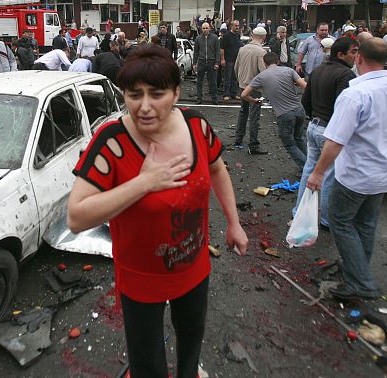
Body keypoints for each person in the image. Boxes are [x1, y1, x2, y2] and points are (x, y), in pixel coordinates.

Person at [67, 45, 248, 378]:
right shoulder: (111, 141)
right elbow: (76, 217)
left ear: (177, 92)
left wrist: (234, 223)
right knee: (147, 360)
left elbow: (218, 169)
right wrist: (144, 182)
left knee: (191, 337)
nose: (145, 107)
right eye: (134, 95)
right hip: (141, 276)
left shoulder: (196, 125)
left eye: (157, 94)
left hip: (194, 265)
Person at [306, 38, 387, 301]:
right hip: (385, 172)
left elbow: (336, 140)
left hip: (356, 174)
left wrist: (318, 172)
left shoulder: (355, 94)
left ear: (359, 58)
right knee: (365, 224)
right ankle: (357, 270)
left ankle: (361, 282)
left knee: (341, 222)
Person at [295, 37, 359, 228]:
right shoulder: (345, 75)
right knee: (329, 175)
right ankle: (325, 219)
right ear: (340, 54)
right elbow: (344, 107)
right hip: (329, 130)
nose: (356, 56)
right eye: (353, 52)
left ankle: (299, 210)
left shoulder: (318, 70)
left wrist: (314, 117)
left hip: (314, 126)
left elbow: (305, 100)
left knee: (310, 170)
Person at [242, 51, 307, 168]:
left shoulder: (261, 76)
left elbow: (244, 94)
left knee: (289, 144)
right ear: (278, 61)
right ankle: (312, 165)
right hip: (299, 109)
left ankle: (307, 169)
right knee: (299, 138)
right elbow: (305, 86)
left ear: (264, 63)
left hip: (284, 114)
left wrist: (254, 101)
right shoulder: (289, 70)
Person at [234, 26, 268, 155]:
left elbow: (236, 67)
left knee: (243, 112)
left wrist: (240, 81)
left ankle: (238, 139)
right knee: (254, 116)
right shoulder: (261, 52)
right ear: (264, 37)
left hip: (243, 85)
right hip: (254, 88)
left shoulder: (243, 49)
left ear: (252, 35)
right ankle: (253, 145)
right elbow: (263, 72)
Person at [193, 22, 220, 104]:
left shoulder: (215, 38)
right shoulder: (198, 38)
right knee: (199, 81)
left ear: (209, 28)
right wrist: (194, 64)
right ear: (201, 29)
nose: (205, 30)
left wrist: (217, 63)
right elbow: (196, 52)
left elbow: (217, 51)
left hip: (211, 62)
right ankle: (199, 98)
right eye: (203, 28)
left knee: (212, 82)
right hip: (201, 62)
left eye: (206, 28)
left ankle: (214, 98)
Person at [219, 20, 242, 100]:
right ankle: (226, 94)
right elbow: (222, 49)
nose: (237, 27)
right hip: (228, 60)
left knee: (235, 78)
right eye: (236, 25)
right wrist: (222, 59)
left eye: (238, 25)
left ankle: (234, 94)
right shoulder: (227, 36)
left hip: (236, 60)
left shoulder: (238, 35)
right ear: (232, 26)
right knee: (227, 78)